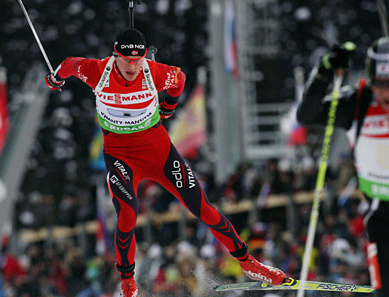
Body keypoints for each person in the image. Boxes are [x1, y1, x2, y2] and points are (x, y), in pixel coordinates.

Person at [46, 28, 287, 297]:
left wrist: (169, 106)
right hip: (121, 156)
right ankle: (128, 282)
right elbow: (69, 65)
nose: (133, 65)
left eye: (138, 59)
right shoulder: (97, 71)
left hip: (159, 153)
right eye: (126, 59)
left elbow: (180, 78)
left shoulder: (152, 72)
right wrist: (55, 79)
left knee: (203, 208)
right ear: (115, 56)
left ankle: (249, 263)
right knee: (127, 215)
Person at [297, 38, 389, 297]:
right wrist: (325, 72)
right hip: (381, 216)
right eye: (378, 85)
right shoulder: (357, 103)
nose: (385, 94)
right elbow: (307, 115)